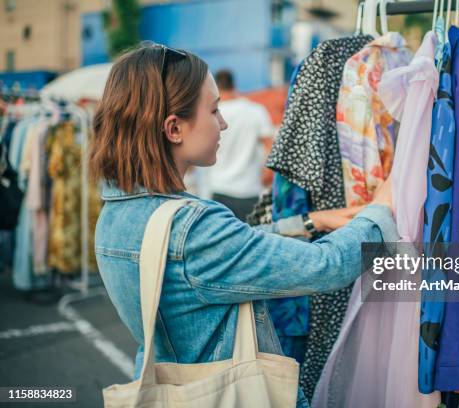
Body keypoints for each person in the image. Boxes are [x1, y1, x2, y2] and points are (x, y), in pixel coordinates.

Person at [89, 43, 396, 408]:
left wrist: (309, 222)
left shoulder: (116, 213)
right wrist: (379, 210)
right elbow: (327, 267)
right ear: (173, 128)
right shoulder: (194, 227)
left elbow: (215, 259)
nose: (223, 122)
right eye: (214, 110)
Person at [206, 69, 274, 221]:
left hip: (219, 188)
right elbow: (270, 147)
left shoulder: (212, 114)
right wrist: (267, 173)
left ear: (216, 87)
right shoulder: (255, 111)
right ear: (234, 85)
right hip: (249, 190)